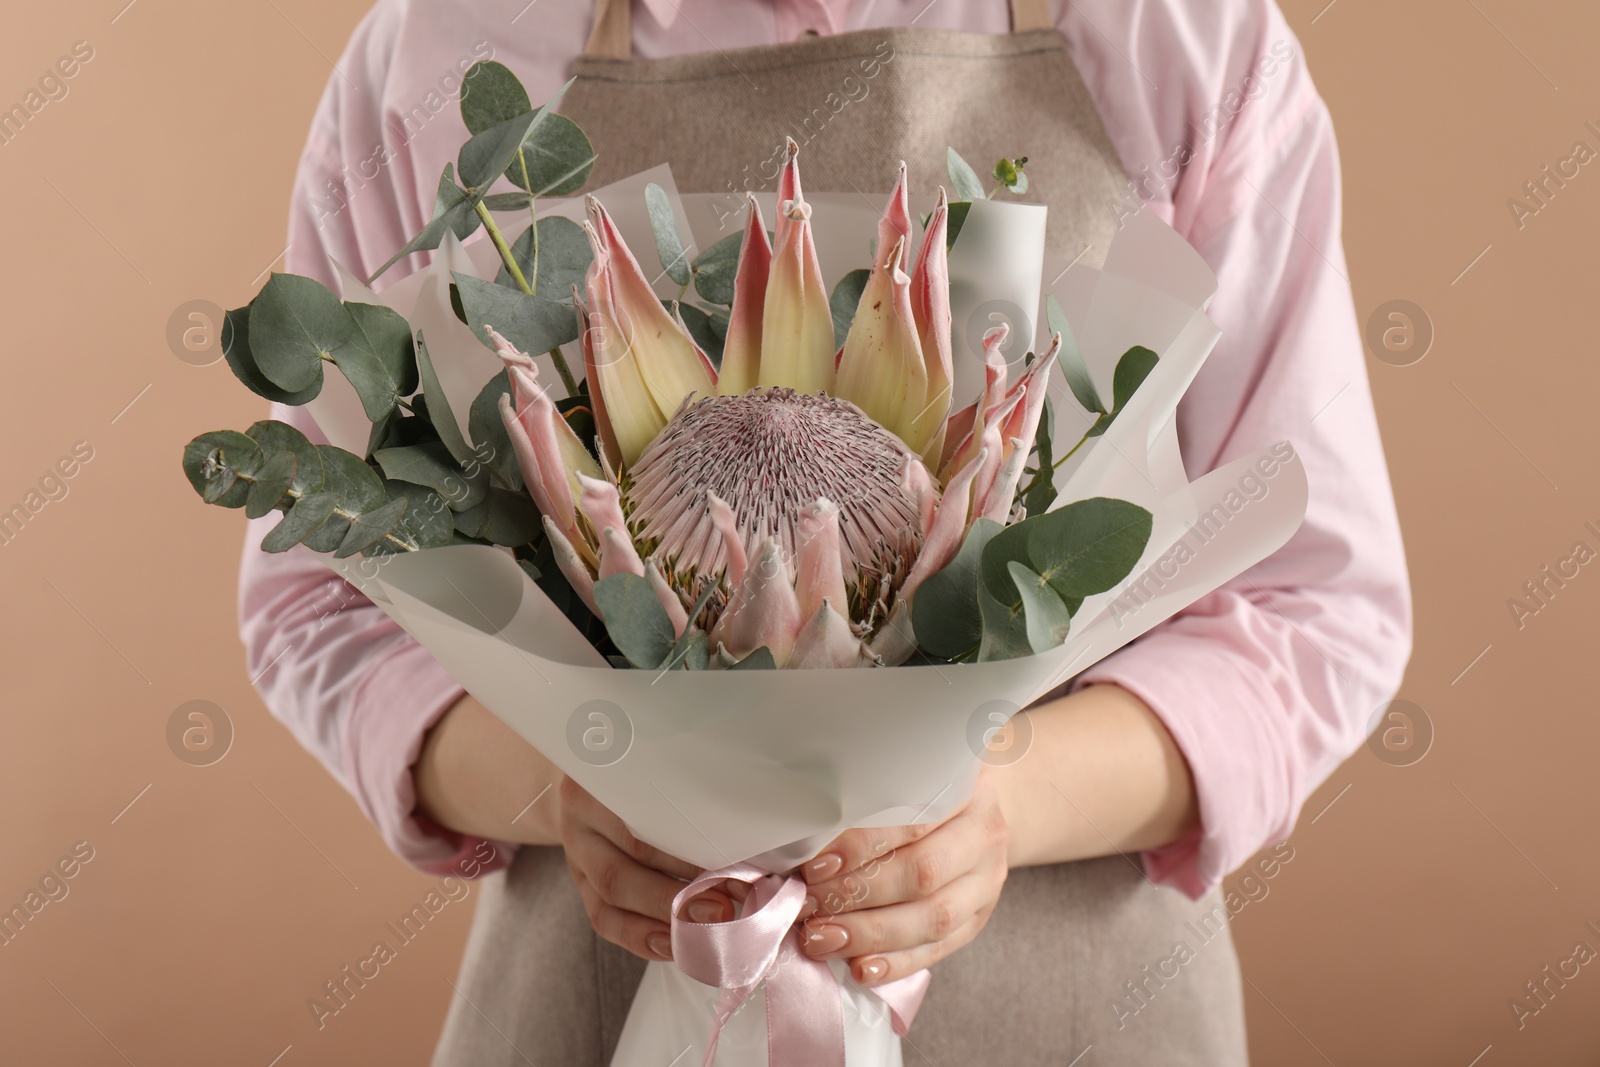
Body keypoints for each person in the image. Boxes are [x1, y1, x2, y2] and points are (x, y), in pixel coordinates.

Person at [238, 0, 1410, 1062]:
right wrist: (564, 777)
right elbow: (319, 595)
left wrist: (998, 800)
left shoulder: (1179, 39)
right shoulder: (443, 50)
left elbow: (1317, 602)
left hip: (1089, 1006)